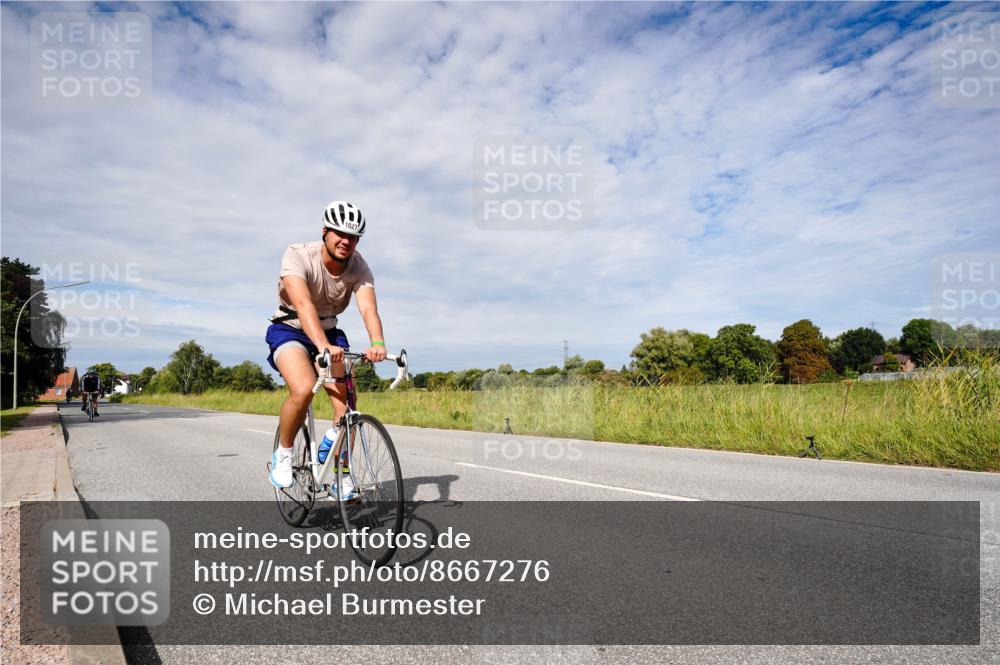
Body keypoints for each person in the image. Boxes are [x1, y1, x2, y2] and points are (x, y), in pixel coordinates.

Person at [265, 200, 387, 499]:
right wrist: (321, 346)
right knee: (305, 388)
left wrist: (378, 343)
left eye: (353, 237)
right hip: (290, 328)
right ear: (325, 232)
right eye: (339, 234)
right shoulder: (297, 255)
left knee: (347, 409)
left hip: (331, 332)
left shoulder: (359, 266)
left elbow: (369, 308)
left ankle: (341, 475)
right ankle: (284, 453)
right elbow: (304, 304)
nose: (346, 242)